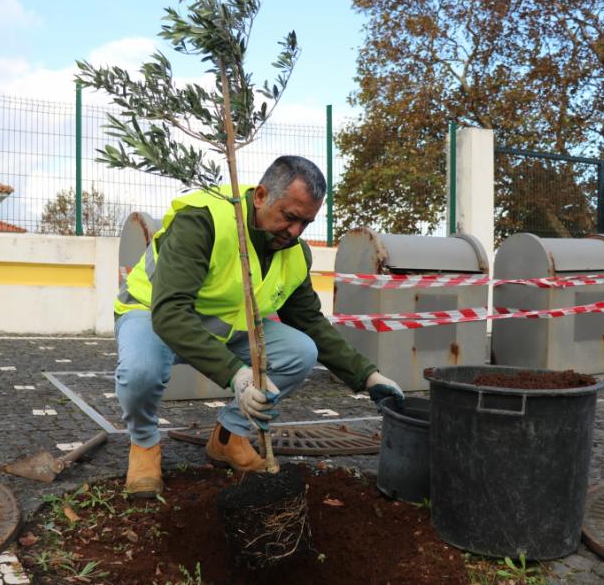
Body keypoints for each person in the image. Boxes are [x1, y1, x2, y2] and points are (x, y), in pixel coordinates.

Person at [114, 155, 405, 497]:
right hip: (153, 313)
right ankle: (145, 443)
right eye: (290, 217)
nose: (295, 232)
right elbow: (171, 313)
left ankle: (228, 436)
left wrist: (369, 376)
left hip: (227, 328)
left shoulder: (293, 252)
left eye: (306, 223)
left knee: (300, 351)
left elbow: (310, 322)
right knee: (140, 372)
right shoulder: (203, 221)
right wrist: (238, 376)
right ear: (261, 196)